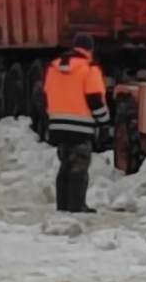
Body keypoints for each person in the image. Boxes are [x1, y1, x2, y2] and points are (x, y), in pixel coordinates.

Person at [41, 38, 110, 212]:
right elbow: (95, 100)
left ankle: (62, 205)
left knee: (65, 165)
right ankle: (77, 205)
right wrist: (104, 123)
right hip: (81, 127)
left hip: (58, 126)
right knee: (79, 166)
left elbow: (45, 95)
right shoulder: (89, 69)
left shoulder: (53, 67)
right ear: (90, 49)